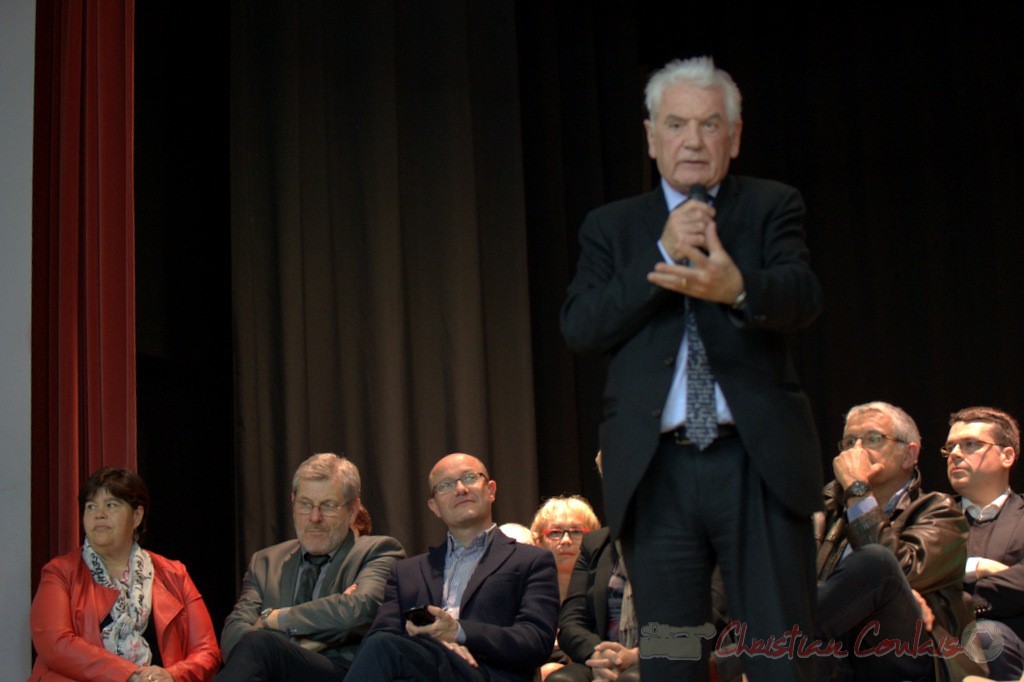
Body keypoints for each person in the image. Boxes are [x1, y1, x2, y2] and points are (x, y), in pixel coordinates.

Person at [560, 55, 823, 680]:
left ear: (733, 136)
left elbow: (803, 294)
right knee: (674, 657)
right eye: (677, 125)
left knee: (780, 655)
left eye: (710, 125)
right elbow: (582, 325)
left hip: (755, 464)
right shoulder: (614, 227)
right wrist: (662, 254)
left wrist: (738, 287)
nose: (694, 141)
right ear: (653, 137)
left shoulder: (770, 206)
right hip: (658, 475)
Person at [346, 452, 560, 681]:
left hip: (486, 672)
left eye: (469, 478)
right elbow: (381, 636)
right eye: (445, 485)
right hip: (419, 669)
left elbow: (535, 641)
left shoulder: (532, 560)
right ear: (434, 506)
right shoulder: (406, 572)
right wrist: (440, 646)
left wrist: (458, 632)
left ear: (491, 490)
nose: (460, 488)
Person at [814, 401, 973, 680]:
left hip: (900, 652)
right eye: (849, 441)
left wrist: (857, 489)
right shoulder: (821, 509)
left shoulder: (941, 511)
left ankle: (750, 654)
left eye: (873, 438)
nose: (857, 450)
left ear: (909, 455)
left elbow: (899, 572)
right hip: (831, 649)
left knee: (877, 560)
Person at [217, 452, 405, 681]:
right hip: (271, 673)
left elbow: (358, 610)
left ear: (352, 510)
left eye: (328, 506)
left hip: (339, 673)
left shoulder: (378, 552)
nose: (314, 517)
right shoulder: (266, 562)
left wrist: (273, 619)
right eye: (305, 504)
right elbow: (233, 635)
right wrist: (297, 644)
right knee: (256, 648)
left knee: (260, 644)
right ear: (293, 501)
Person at [29, 467, 221, 682]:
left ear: (137, 516)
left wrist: (173, 676)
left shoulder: (174, 574)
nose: (99, 514)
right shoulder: (60, 572)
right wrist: (128, 675)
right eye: (91, 507)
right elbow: (55, 643)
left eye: (111, 505)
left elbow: (207, 651)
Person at [945, 406, 1024, 680]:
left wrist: (950, 591)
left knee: (984, 635)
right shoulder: (930, 517)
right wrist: (977, 566)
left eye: (970, 444)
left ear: (1007, 455)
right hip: (936, 641)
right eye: (950, 447)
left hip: (1011, 644)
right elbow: (910, 577)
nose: (955, 454)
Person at [529, 495, 602, 679]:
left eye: (576, 532)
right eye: (555, 532)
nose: (566, 540)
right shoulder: (527, 593)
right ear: (539, 542)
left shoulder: (604, 592)